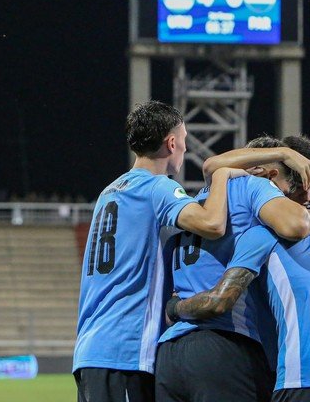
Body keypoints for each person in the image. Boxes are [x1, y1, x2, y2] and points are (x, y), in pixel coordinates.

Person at [166, 136, 310, 401]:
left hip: (180, 352)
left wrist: (175, 308)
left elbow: (219, 300)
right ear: (268, 175)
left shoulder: (213, 211)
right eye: (303, 186)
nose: (308, 197)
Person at [72, 100, 247, 402]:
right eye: (185, 141)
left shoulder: (109, 191)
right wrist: (221, 176)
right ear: (171, 142)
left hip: (92, 349)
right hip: (124, 351)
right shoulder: (156, 187)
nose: (185, 149)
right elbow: (213, 224)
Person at [154, 136, 310, 402]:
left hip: (170, 354)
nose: (295, 198)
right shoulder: (253, 186)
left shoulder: (195, 205)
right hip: (222, 347)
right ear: (269, 172)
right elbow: (294, 225)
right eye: (290, 189)